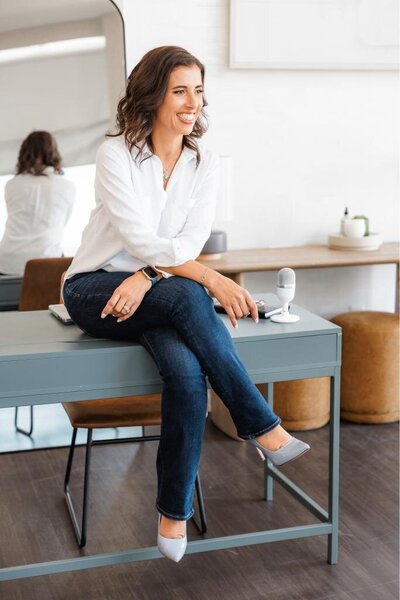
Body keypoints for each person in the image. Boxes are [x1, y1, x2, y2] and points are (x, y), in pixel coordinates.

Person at [62, 46, 310, 563]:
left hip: (153, 292)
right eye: (180, 90)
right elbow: (140, 235)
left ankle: (171, 513)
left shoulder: (204, 160)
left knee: (184, 369)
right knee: (191, 292)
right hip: (94, 288)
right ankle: (262, 425)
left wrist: (151, 275)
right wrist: (208, 279)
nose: (192, 102)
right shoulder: (116, 155)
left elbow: (186, 242)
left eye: (198, 90)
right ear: (153, 95)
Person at [0, 131, 75, 276]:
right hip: (45, 262)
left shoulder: (12, 184)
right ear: (53, 153)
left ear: (24, 153)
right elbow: (62, 223)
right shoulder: (67, 186)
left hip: (7, 262)